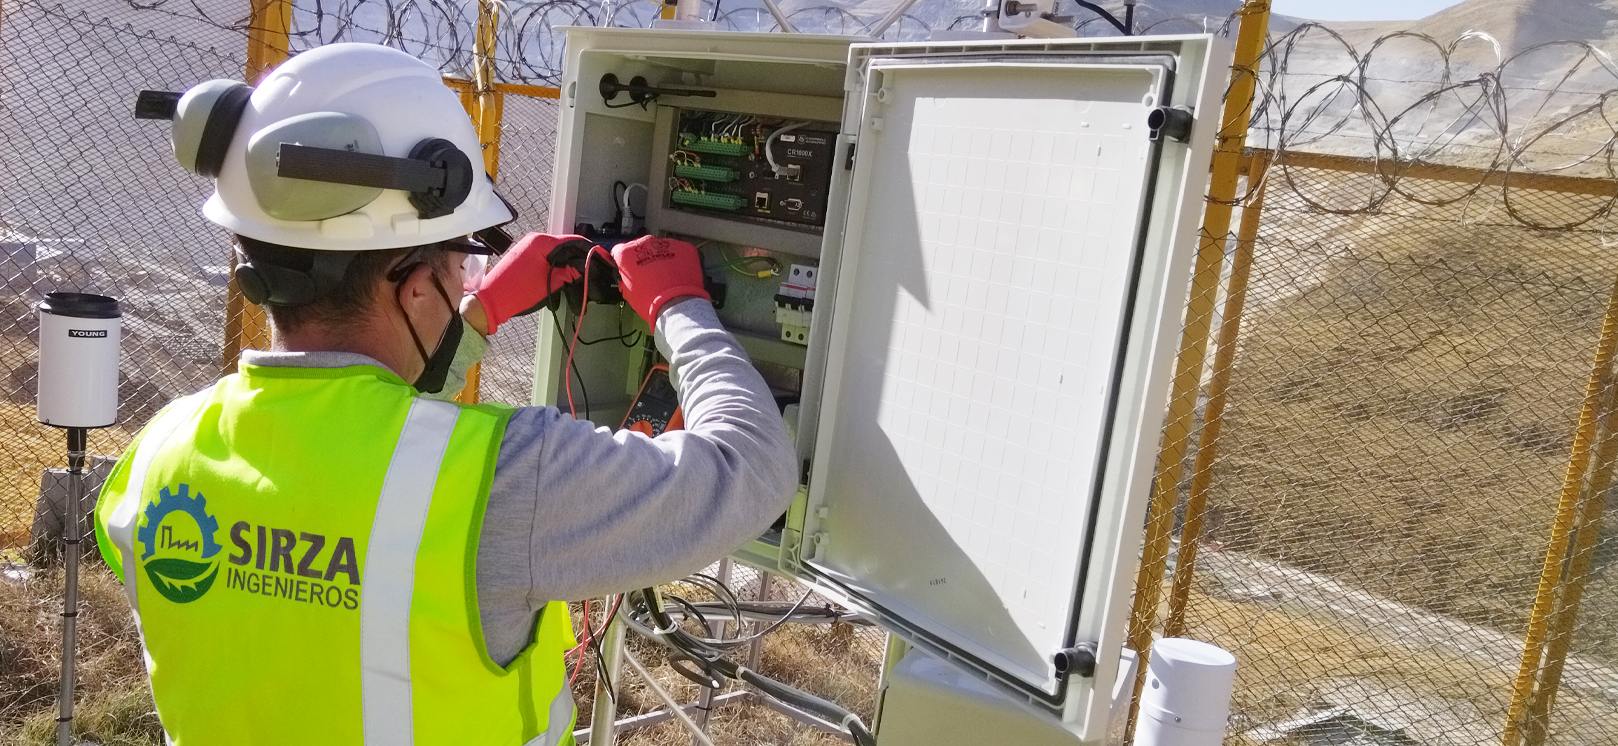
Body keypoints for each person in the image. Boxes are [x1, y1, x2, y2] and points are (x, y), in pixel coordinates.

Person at [93, 42, 797, 745]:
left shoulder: (158, 455)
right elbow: (752, 469)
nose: (465, 278)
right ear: (420, 287)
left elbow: (358, 433)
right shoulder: (508, 478)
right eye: (461, 261)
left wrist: (483, 312)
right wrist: (680, 307)